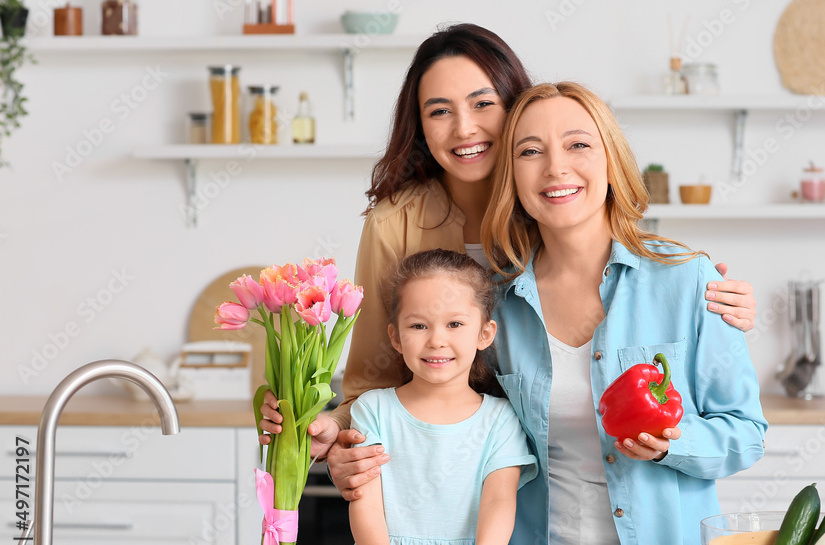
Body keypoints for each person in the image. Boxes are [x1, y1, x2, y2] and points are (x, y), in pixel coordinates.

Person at [259, 23, 757, 501]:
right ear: (420, 126)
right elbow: (375, 373)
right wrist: (341, 434)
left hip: (527, 482)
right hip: (439, 467)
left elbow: (630, 277)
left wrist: (704, 298)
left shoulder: (556, 205)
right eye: (439, 111)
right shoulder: (398, 223)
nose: (464, 128)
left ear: (514, 108)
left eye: (483, 103)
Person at [478, 81, 766, 545]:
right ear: (512, 177)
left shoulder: (688, 280)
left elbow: (746, 434)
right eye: (530, 151)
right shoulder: (498, 304)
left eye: (578, 144)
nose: (556, 167)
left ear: (611, 160)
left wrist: (675, 442)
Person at [344, 249, 536, 545]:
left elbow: (500, 501)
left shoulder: (500, 419)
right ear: (395, 337)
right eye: (418, 325)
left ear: (485, 334)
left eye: (455, 324)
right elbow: (365, 500)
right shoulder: (373, 409)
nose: (436, 340)